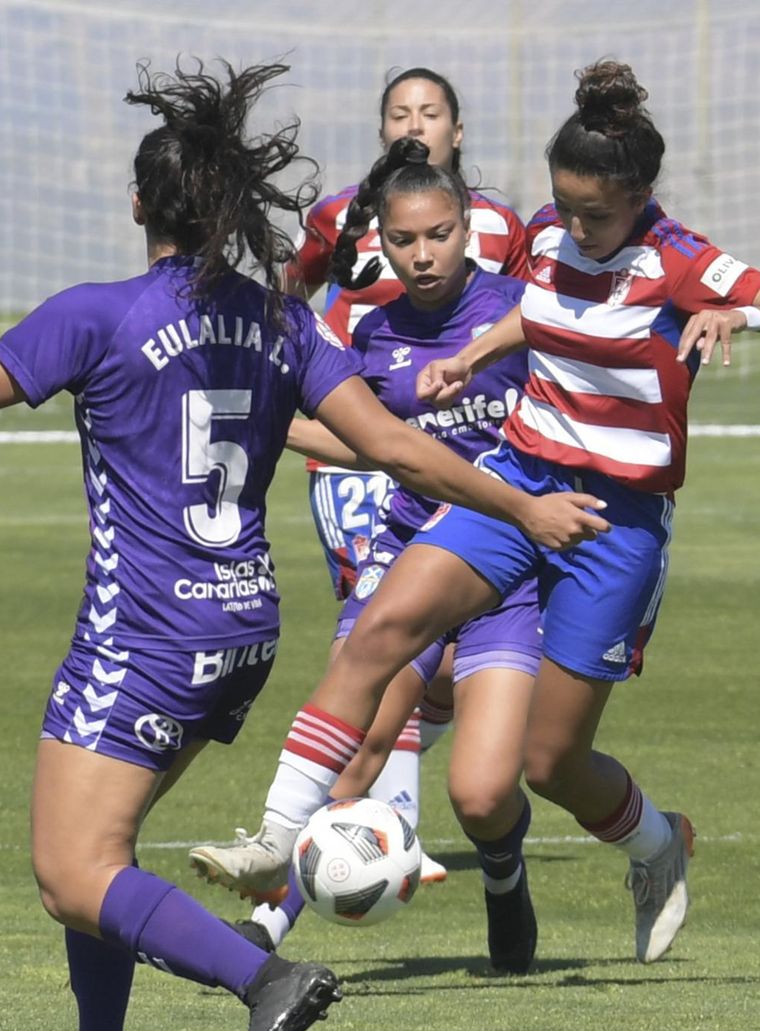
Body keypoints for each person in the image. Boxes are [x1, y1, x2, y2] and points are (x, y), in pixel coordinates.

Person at [0, 60, 606, 1031]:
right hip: (244, 623)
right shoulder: (279, 318)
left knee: (70, 872)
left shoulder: (97, 313)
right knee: (102, 848)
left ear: (139, 204)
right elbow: (390, 443)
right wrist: (519, 501)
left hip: (146, 629)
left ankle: (268, 978)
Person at [188, 60, 760, 967]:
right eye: (564, 208)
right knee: (382, 625)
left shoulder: (684, 260)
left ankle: (658, 845)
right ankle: (276, 836)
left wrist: (747, 318)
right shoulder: (544, 235)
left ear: (640, 196)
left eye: (596, 215)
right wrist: (478, 353)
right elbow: (538, 310)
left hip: (614, 526)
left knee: (551, 763)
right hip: (519, 479)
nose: (576, 228)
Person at [232, 136, 544, 972]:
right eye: (403, 240)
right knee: (355, 740)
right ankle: (268, 928)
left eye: (438, 233)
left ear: (467, 226)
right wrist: (253, 425)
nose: (422, 252)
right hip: (406, 548)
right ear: (384, 244)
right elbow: (361, 439)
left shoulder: (521, 310)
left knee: (480, 795)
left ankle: (506, 875)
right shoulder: (370, 332)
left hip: (503, 569)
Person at [291, 66, 532, 879]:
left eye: (432, 111)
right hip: (385, 500)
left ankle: (491, 856)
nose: (422, 253)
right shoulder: (350, 255)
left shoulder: (514, 275)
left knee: (490, 780)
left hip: (507, 532)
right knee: (363, 676)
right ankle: (285, 880)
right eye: (401, 110)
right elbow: (303, 309)